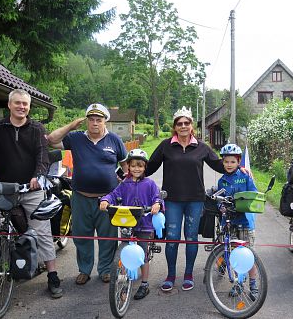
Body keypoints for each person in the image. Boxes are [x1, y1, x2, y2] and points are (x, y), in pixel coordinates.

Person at [0, 89, 63, 298]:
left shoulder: (37, 128)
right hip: (4, 190)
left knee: (41, 231)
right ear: (9, 105)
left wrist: (38, 175)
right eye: (18, 103)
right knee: (3, 229)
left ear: (29, 107)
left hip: (31, 189)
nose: (21, 107)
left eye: (25, 104)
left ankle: (53, 275)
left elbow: (42, 155)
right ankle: (6, 268)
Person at [46, 103, 128, 285]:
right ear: (87, 122)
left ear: (105, 121)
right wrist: (70, 126)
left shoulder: (114, 140)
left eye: (99, 120)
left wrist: (126, 183)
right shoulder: (75, 138)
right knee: (82, 236)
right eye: (91, 120)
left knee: (108, 237)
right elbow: (51, 140)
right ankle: (84, 270)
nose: (95, 123)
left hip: (108, 199)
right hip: (81, 197)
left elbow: (125, 165)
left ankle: (106, 270)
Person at [145, 106, 225, 292]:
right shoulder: (166, 145)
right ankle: (171, 275)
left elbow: (219, 165)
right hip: (172, 200)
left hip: (195, 201)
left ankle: (188, 274)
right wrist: (128, 172)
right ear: (175, 127)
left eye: (186, 123)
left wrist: (238, 167)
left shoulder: (202, 147)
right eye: (179, 123)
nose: (183, 126)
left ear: (191, 126)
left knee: (191, 238)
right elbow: (149, 167)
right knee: (172, 238)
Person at [99, 148, 162, 299]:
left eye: (140, 165)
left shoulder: (150, 184)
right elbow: (113, 195)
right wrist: (105, 200)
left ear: (145, 167)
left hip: (144, 224)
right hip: (127, 223)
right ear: (128, 166)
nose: (136, 168)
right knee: (125, 253)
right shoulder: (124, 184)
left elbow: (157, 197)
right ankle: (124, 280)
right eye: (133, 165)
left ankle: (145, 284)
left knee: (143, 255)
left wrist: (157, 204)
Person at [217, 143, 260, 299]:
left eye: (232, 162)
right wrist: (220, 206)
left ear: (239, 161)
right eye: (226, 161)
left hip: (245, 222)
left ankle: (253, 285)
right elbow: (219, 199)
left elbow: (254, 193)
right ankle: (238, 283)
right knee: (234, 256)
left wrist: (245, 200)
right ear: (223, 162)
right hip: (229, 222)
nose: (229, 165)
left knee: (249, 255)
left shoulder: (245, 176)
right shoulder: (222, 181)